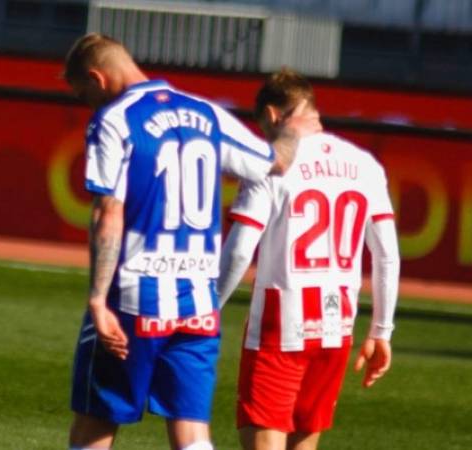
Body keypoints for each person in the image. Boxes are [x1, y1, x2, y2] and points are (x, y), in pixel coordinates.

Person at [63, 35, 321, 450]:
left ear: (97, 77)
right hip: (198, 304)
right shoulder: (206, 113)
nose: (87, 103)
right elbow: (274, 161)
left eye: (84, 93)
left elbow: (107, 211)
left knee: (96, 424)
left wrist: (97, 299)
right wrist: (291, 130)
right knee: (191, 434)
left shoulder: (114, 120)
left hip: (136, 297)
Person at [217, 68, 400, 450]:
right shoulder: (365, 164)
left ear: (270, 116)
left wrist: (208, 307)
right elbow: (386, 254)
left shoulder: (271, 163)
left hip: (279, 323)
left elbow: (238, 250)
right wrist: (381, 330)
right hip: (336, 325)